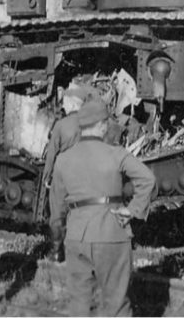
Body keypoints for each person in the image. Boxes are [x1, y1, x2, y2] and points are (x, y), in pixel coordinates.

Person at [49, 99, 156, 317]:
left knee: (80, 305)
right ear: (102, 125)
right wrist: (133, 209)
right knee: (116, 305)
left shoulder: (63, 159)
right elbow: (148, 179)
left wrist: (58, 243)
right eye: (106, 122)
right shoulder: (116, 153)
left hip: (77, 236)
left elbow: (57, 211)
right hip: (111, 233)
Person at [41, 86, 90, 188]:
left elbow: (51, 153)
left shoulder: (61, 124)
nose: (63, 106)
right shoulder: (91, 124)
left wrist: (46, 177)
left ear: (72, 105)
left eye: (65, 102)